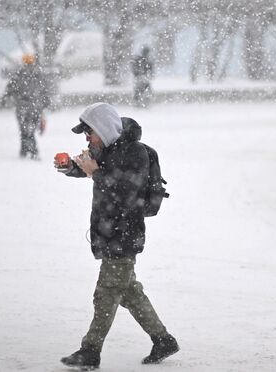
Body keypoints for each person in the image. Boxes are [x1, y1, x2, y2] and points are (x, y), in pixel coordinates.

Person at [56, 102, 178, 369]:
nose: (87, 138)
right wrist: (71, 167)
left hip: (125, 235)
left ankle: (90, 351)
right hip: (108, 233)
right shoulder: (105, 148)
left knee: (107, 292)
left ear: (103, 128)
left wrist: (95, 172)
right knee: (129, 292)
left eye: (90, 132)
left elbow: (125, 194)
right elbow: (90, 167)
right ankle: (163, 339)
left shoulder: (134, 153)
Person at [2, 54, 50, 159]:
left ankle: (28, 150)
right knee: (29, 130)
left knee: (25, 130)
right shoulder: (38, 76)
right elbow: (45, 92)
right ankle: (30, 150)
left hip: (23, 108)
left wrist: (9, 99)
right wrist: (45, 103)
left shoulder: (18, 76)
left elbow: (9, 90)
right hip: (35, 108)